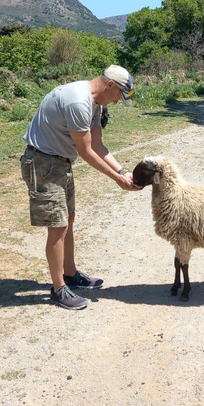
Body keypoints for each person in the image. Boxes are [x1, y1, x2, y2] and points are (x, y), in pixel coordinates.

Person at [20, 65, 141, 310]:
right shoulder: (78, 102)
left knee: (68, 219)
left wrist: (122, 172)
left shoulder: (97, 104)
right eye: (119, 95)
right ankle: (58, 288)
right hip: (42, 161)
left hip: (61, 161)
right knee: (58, 225)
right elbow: (86, 152)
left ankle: (70, 274)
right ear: (110, 85)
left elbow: (98, 144)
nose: (118, 101)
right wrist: (116, 180)